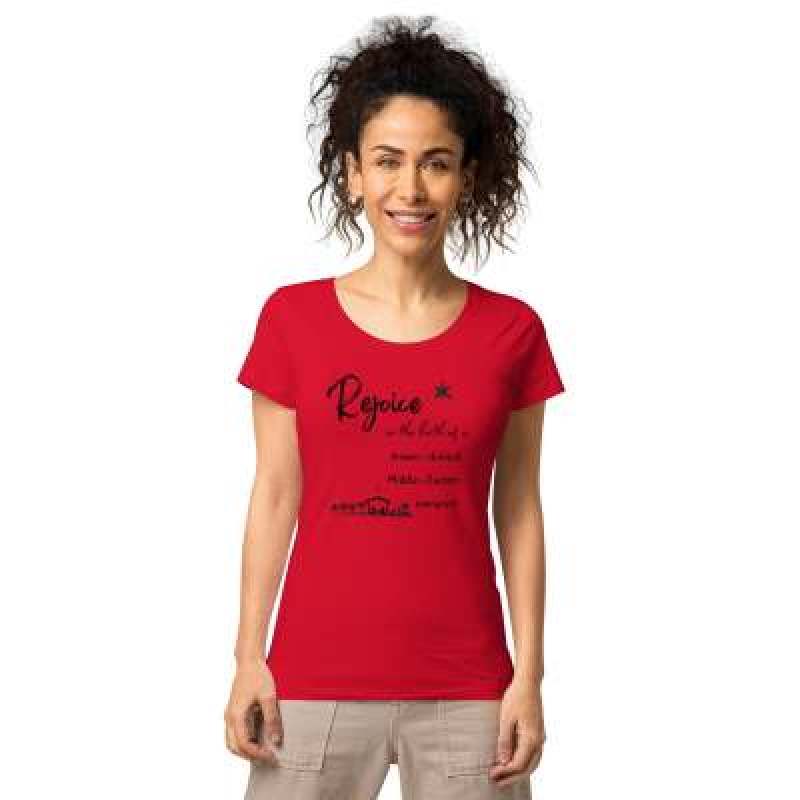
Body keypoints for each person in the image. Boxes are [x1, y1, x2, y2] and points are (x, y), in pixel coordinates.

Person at [225, 16, 566, 799]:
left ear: (467, 177)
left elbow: (519, 508)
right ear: (352, 173)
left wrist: (529, 676)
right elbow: (274, 494)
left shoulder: (512, 332)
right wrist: (248, 656)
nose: (410, 190)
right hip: (311, 681)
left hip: (470, 689)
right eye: (387, 161)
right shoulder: (292, 320)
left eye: (435, 164)